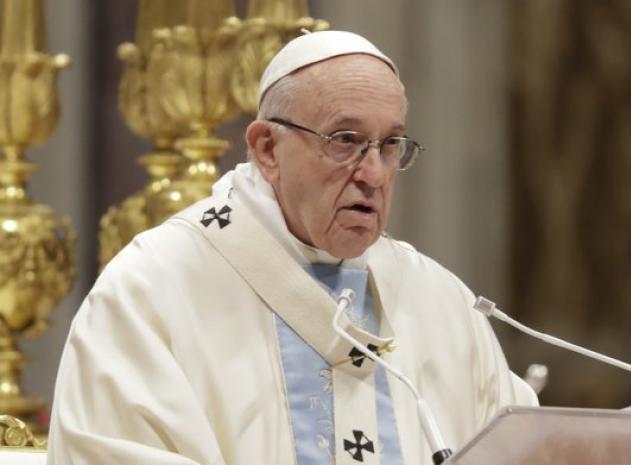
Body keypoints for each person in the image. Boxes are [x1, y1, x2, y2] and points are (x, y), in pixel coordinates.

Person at [47, 30, 537, 465]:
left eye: (390, 145)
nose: (374, 174)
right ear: (266, 148)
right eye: (346, 140)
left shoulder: (439, 300)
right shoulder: (151, 290)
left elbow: (525, 446)